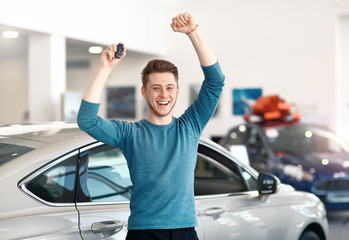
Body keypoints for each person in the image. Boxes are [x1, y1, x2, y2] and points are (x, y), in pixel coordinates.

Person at [77, 12, 225, 240]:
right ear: (144, 92)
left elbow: (215, 81)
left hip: (186, 232)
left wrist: (193, 32)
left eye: (169, 87)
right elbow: (87, 120)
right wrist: (105, 69)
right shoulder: (129, 134)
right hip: (143, 233)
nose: (163, 94)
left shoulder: (190, 126)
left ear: (176, 91)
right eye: (156, 88)